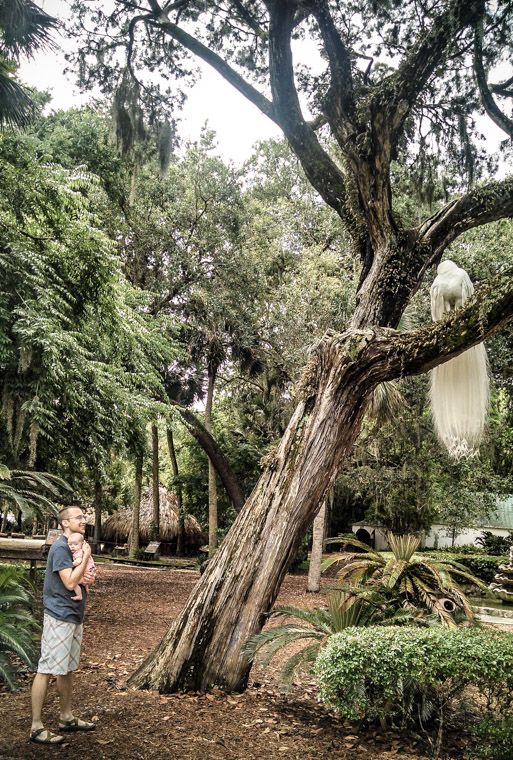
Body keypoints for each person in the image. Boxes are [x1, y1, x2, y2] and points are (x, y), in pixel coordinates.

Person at [30, 506, 97, 745]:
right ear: (65, 523)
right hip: (59, 615)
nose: (84, 520)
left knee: (67, 668)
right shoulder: (61, 547)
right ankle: (36, 727)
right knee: (47, 667)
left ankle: (66, 717)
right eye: (79, 517)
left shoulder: (75, 546)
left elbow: (79, 576)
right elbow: (69, 582)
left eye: (84, 517)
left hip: (73, 616)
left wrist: (88, 575)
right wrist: (87, 557)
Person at [67, 532, 96, 601]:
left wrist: (71, 564)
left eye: (75, 544)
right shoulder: (83, 550)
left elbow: (79, 561)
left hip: (86, 571)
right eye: (70, 544)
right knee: (85, 580)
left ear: (82, 544)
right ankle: (86, 587)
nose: (72, 546)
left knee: (74, 583)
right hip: (90, 570)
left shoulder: (78, 552)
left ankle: (79, 595)